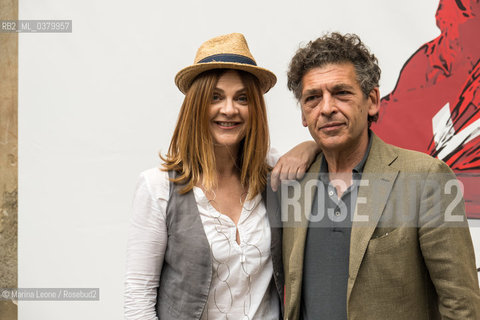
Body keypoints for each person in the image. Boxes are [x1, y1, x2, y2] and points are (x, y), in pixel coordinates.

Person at [281, 32, 480, 320]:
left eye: (341, 93)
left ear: (372, 100)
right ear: (303, 113)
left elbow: (462, 306)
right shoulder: (291, 184)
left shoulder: (426, 179)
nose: (326, 108)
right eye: (313, 98)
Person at [124, 33, 318, 320]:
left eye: (242, 98)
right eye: (215, 97)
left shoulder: (272, 174)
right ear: (196, 106)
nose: (229, 109)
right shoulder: (158, 187)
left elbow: (328, 148)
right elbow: (138, 297)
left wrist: (309, 146)